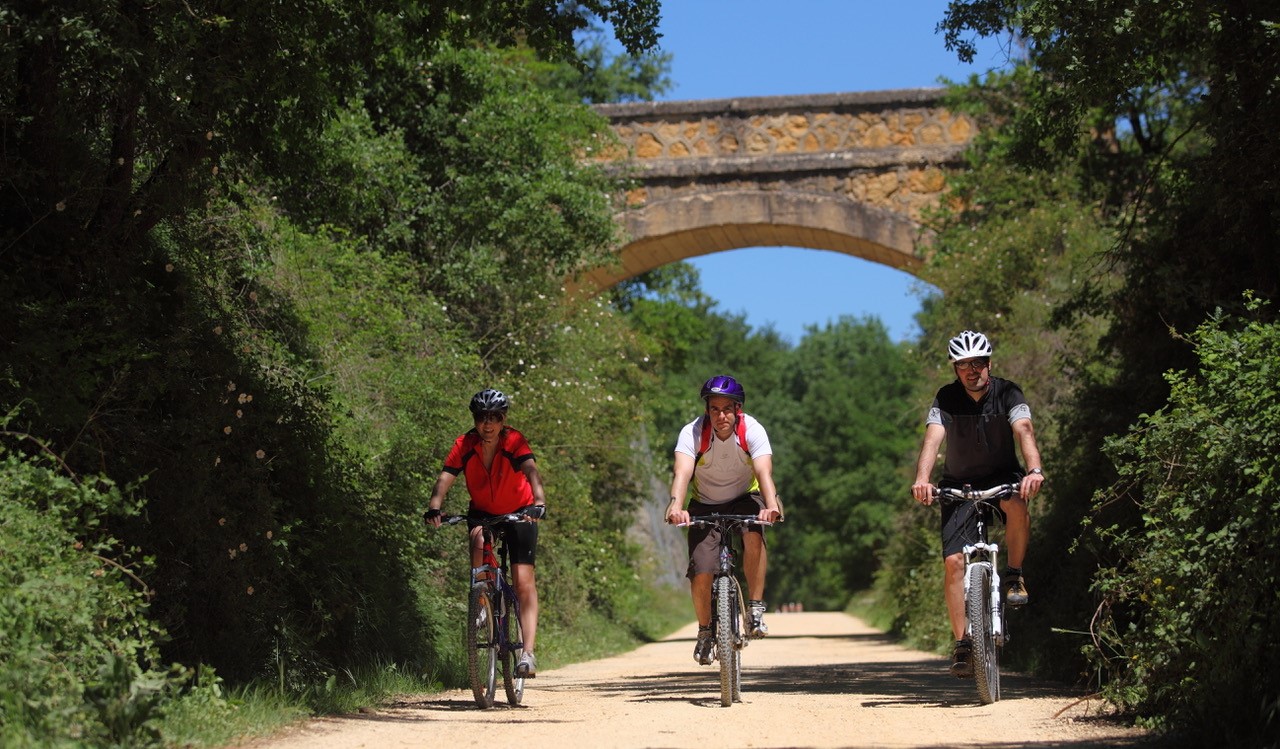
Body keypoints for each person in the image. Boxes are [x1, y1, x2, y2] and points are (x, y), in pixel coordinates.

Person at [910, 330, 1045, 679]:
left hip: (1003, 478)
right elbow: (932, 439)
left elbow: (1024, 430)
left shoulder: (1008, 392)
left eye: (979, 363)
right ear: (955, 369)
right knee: (954, 562)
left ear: (989, 363)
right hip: (959, 486)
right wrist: (922, 479)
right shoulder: (946, 398)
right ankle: (963, 644)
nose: (973, 371)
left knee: (1016, 502)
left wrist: (1034, 471)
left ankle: (1014, 575)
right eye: (964, 365)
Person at [424, 388, 547, 678]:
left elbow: (531, 471)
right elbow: (445, 478)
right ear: (475, 419)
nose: (487, 425)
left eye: (495, 418)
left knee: (523, 580)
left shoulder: (514, 440)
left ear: (503, 419)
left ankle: (527, 653)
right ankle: (482, 597)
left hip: (520, 511)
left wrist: (539, 502)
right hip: (483, 512)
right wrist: (434, 507)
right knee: (478, 537)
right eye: (481, 418)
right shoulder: (465, 444)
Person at [665, 375, 783, 666]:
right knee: (702, 568)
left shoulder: (751, 429)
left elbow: (764, 473)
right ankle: (706, 631)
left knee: (754, 531)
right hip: (704, 503)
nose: (721, 415)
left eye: (727, 409)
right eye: (714, 409)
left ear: (737, 410)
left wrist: (771, 506)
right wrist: (675, 506)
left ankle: (754, 608)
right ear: (707, 410)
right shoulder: (692, 433)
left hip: (745, 496)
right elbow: (682, 473)